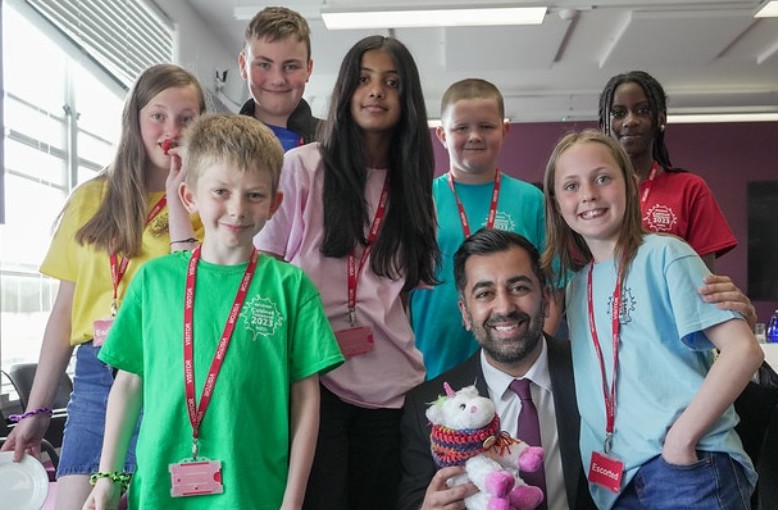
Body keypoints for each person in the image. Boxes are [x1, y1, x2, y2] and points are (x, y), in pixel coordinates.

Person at [83, 113, 344, 510]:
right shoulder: (154, 280)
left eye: (254, 195)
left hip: (254, 491)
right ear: (190, 197)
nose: (237, 210)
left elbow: (306, 400)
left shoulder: (290, 287)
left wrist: (293, 500)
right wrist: (106, 478)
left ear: (275, 204)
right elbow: (129, 384)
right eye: (221, 191)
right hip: (159, 490)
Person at [1, 64, 206, 510]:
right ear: (134, 119)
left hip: (167, 371)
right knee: (76, 500)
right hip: (96, 373)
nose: (171, 129)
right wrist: (36, 412)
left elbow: (189, 289)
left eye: (186, 118)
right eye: (158, 115)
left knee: (147, 499)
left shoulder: (205, 206)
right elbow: (64, 314)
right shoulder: (90, 199)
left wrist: (177, 194)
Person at [254, 35, 440, 509]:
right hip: (316, 377)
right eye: (363, 79)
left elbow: (403, 297)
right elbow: (266, 273)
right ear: (345, 89)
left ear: (407, 101)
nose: (376, 91)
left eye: (391, 83)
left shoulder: (415, 189)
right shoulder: (301, 167)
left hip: (391, 384)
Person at [541, 129, 763, 509]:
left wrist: (681, 441)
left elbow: (743, 350)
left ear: (629, 185)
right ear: (557, 203)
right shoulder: (577, 288)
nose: (589, 194)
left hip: (685, 469)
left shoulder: (666, 254)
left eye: (603, 178)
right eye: (571, 186)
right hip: (616, 482)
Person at [399, 228, 595, 510]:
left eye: (519, 288)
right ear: (465, 313)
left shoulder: (593, 372)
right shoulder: (426, 408)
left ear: (547, 298)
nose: (504, 306)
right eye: (485, 293)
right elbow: (412, 501)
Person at [410, 78, 563, 381]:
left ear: (505, 130)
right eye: (461, 128)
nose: (475, 136)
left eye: (486, 126)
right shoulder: (420, 201)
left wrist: (533, 358)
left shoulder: (531, 200)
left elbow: (554, 288)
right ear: (441, 134)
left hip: (516, 367)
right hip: (433, 364)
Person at [598, 70, 736, 272]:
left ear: (661, 119)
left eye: (642, 110)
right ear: (604, 126)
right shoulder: (592, 193)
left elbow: (704, 279)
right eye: (618, 113)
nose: (630, 120)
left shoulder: (690, 189)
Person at [238, 6, 320, 151]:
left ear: (308, 69)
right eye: (264, 65)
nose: (277, 80)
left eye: (290, 66)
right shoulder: (217, 145)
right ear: (243, 66)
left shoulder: (337, 142)